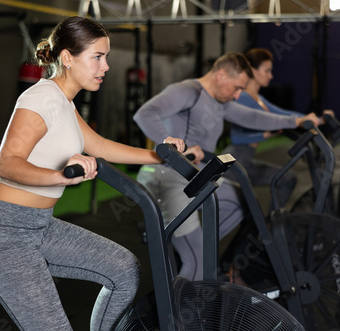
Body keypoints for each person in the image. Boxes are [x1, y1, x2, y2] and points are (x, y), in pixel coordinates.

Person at [0, 16, 185, 331]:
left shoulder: (64, 102)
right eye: (97, 56)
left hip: (39, 227)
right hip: (2, 236)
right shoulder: (40, 98)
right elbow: (6, 164)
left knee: (124, 270)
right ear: (67, 57)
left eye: (105, 57)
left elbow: (101, 146)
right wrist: (60, 177)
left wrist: (163, 156)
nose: (105, 66)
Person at [133, 52, 319, 281]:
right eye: (237, 87)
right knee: (198, 262)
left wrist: (296, 121)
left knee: (243, 202)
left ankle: (199, 252)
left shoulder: (220, 101)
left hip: (194, 177)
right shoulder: (188, 91)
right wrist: (168, 143)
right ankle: (179, 309)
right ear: (221, 75)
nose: (238, 94)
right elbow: (145, 113)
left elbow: (254, 118)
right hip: (166, 177)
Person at [222, 48, 333, 209]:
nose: (271, 76)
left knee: (287, 179)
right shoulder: (243, 98)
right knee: (249, 209)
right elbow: (237, 138)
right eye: (267, 71)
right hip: (234, 163)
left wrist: (317, 119)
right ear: (253, 71)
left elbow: (283, 114)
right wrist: (266, 134)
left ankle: (272, 225)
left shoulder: (259, 99)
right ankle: (271, 226)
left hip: (246, 162)